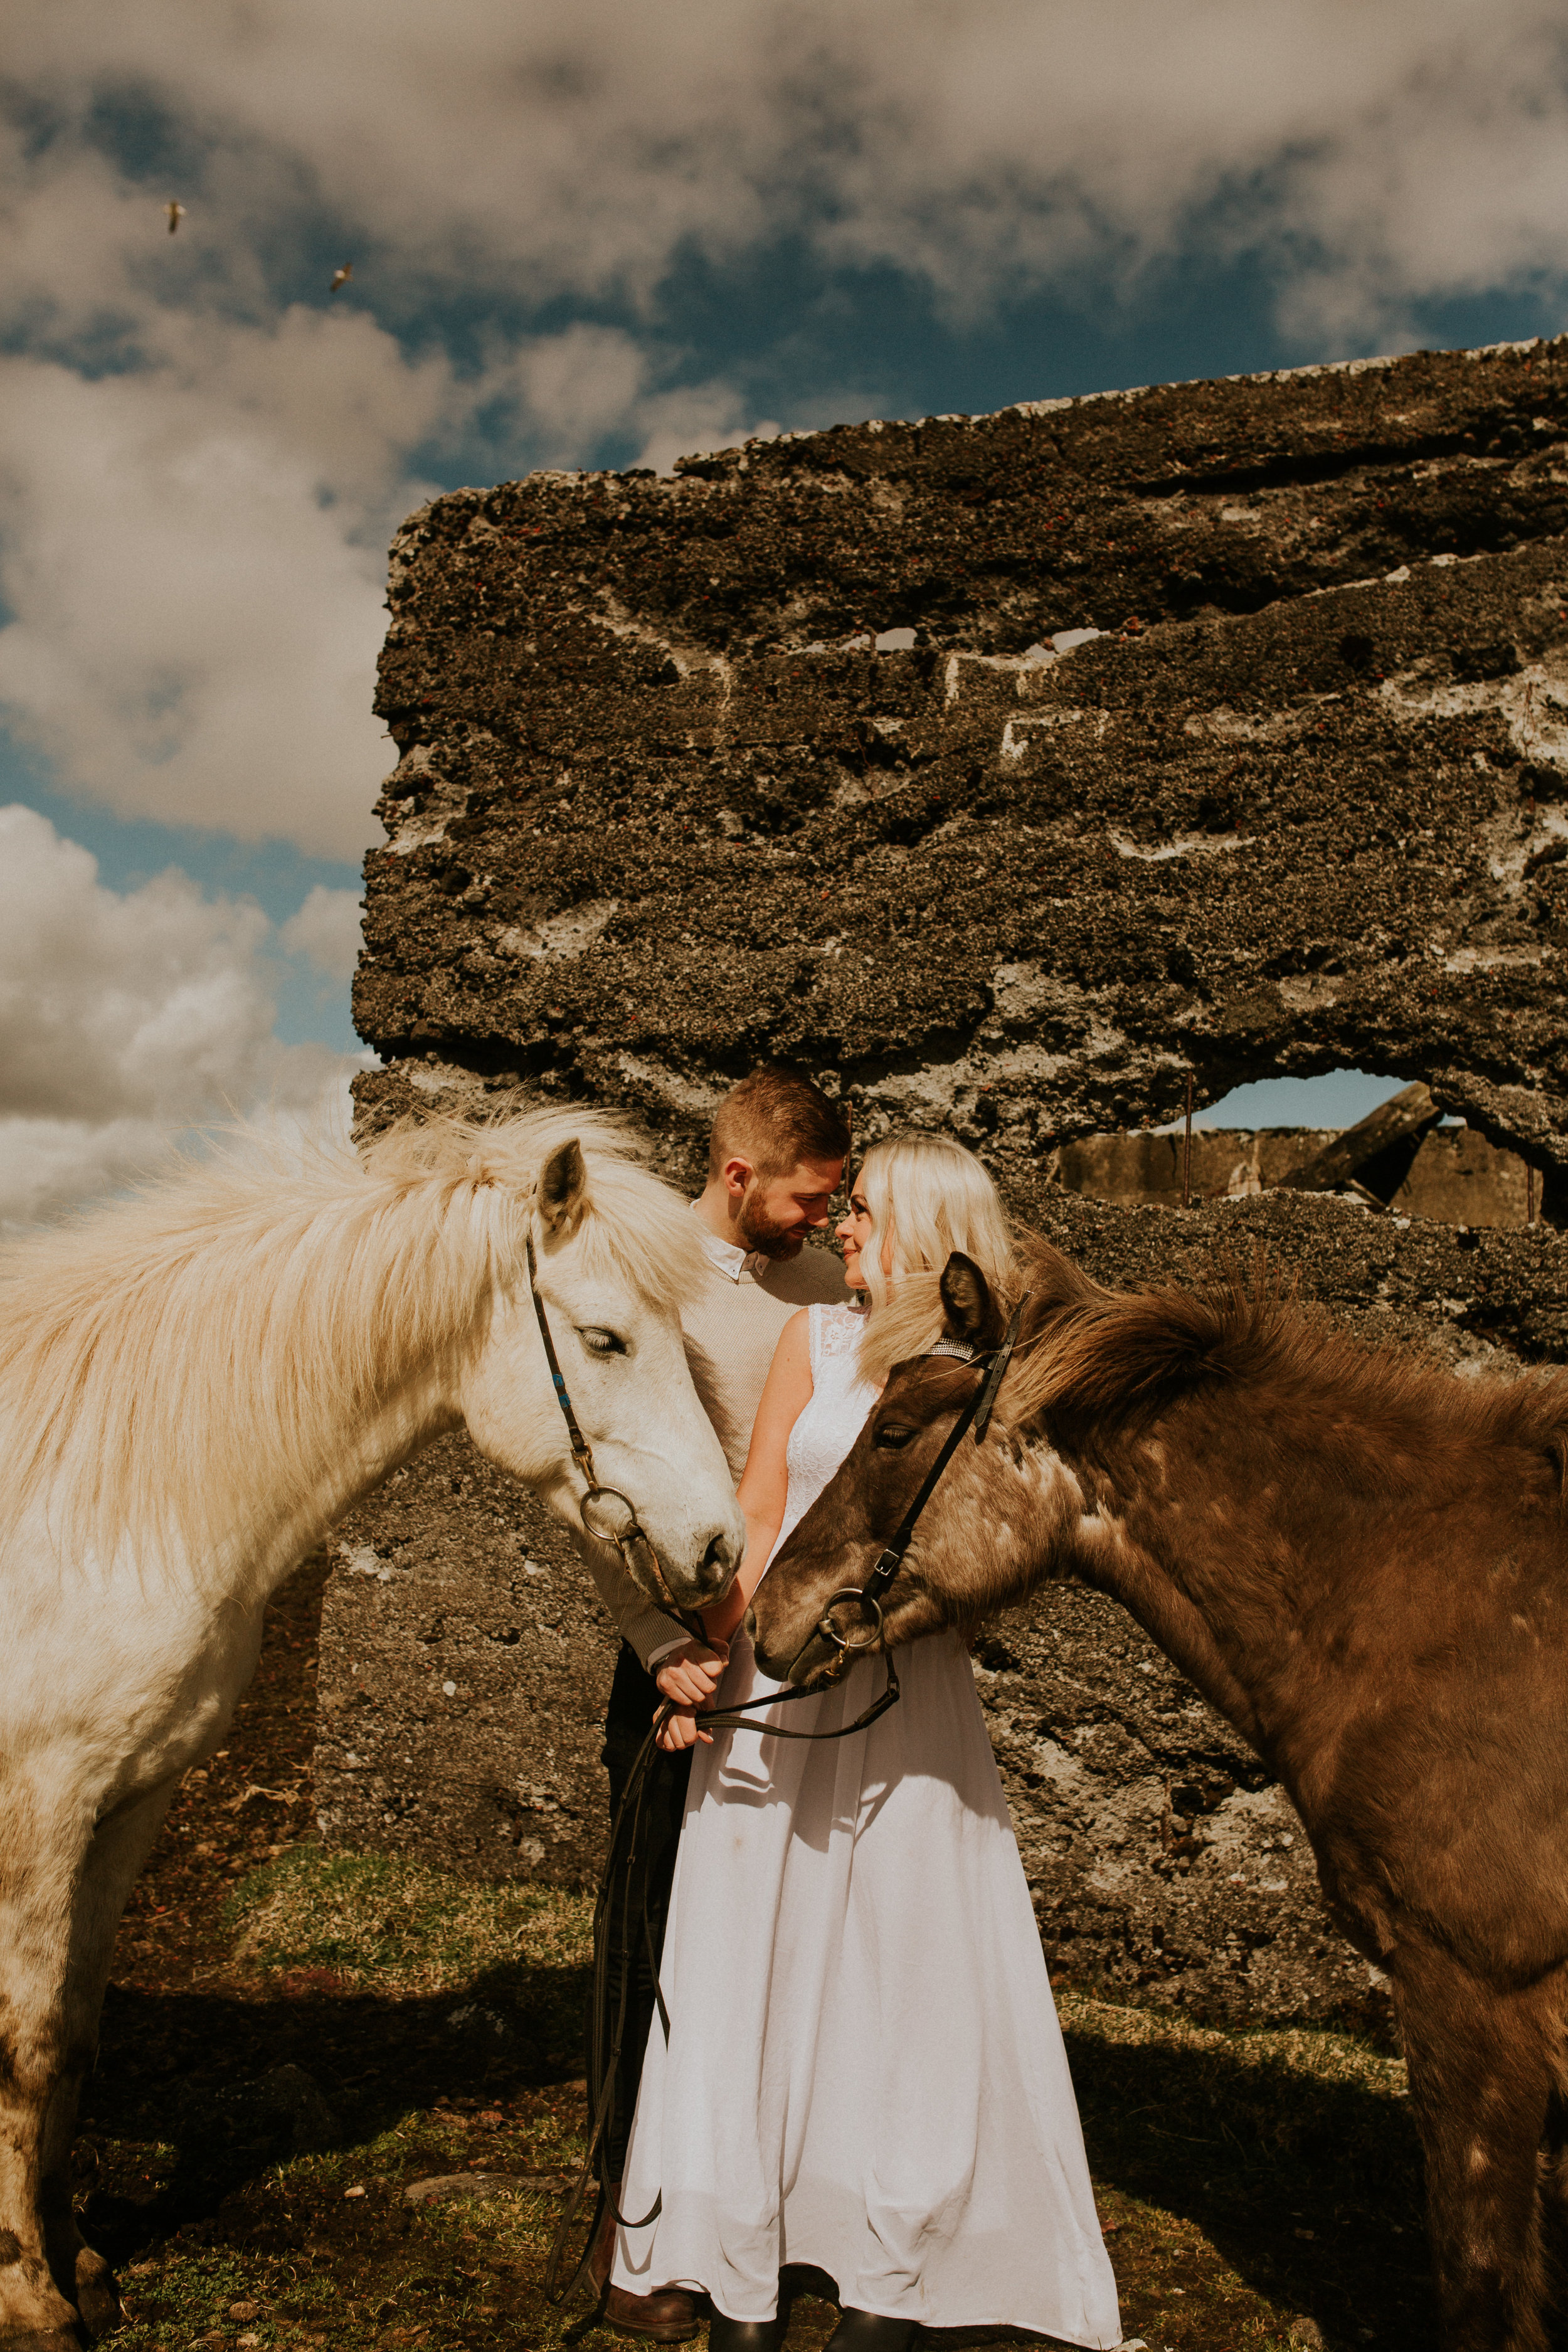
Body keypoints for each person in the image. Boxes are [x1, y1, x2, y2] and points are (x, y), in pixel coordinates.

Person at [608, 1131, 1123, 2352]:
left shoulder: (985, 1367)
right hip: (771, 1687)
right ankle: (744, 2240)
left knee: (903, 1984)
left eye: (863, 1209)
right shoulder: (814, 1342)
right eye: (838, 1207)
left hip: (903, 1698)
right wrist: (697, 1657)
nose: (841, 1226)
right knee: (751, 1963)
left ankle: (891, 2260)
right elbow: (758, 1507)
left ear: (929, 1225)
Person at [583, 1067, 851, 2343]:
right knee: (650, 1941)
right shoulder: (650, 1285)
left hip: (792, 1664)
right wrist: (651, 1645)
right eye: (806, 1198)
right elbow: (598, 1481)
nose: (822, 1220)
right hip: (678, 1666)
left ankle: (760, 2201)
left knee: (766, 1946)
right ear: (739, 1177)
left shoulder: (822, 1290)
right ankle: (629, 2223)